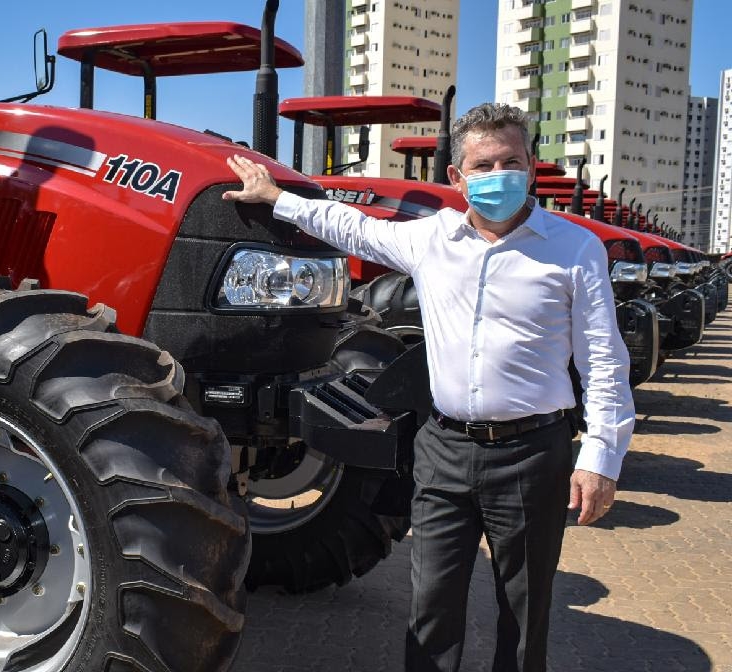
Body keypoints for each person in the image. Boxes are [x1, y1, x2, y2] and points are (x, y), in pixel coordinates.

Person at [222, 102, 635, 672]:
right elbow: (354, 227)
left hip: (531, 454)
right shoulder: (432, 239)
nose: (499, 177)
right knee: (430, 609)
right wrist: (277, 199)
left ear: (532, 166)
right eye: (484, 166)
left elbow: (605, 361)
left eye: (511, 161)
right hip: (443, 451)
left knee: (524, 612)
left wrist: (601, 459)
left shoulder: (573, 249)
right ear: (457, 178)